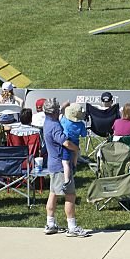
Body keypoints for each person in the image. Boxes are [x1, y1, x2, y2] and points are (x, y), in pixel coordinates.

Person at [42, 99, 91, 237]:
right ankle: (72, 227)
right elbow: (65, 142)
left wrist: (64, 105)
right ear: (55, 112)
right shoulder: (55, 127)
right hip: (61, 166)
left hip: (52, 163)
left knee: (53, 194)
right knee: (70, 195)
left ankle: (50, 223)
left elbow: (56, 111)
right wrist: (77, 149)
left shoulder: (47, 121)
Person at [60, 104, 87, 181]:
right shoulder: (81, 124)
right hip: (75, 142)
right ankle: (74, 166)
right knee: (75, 153)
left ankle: (66, 178)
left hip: (66, 141)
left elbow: (60, 126)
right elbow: (84, 134)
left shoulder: (64, 120)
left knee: (65, 161)